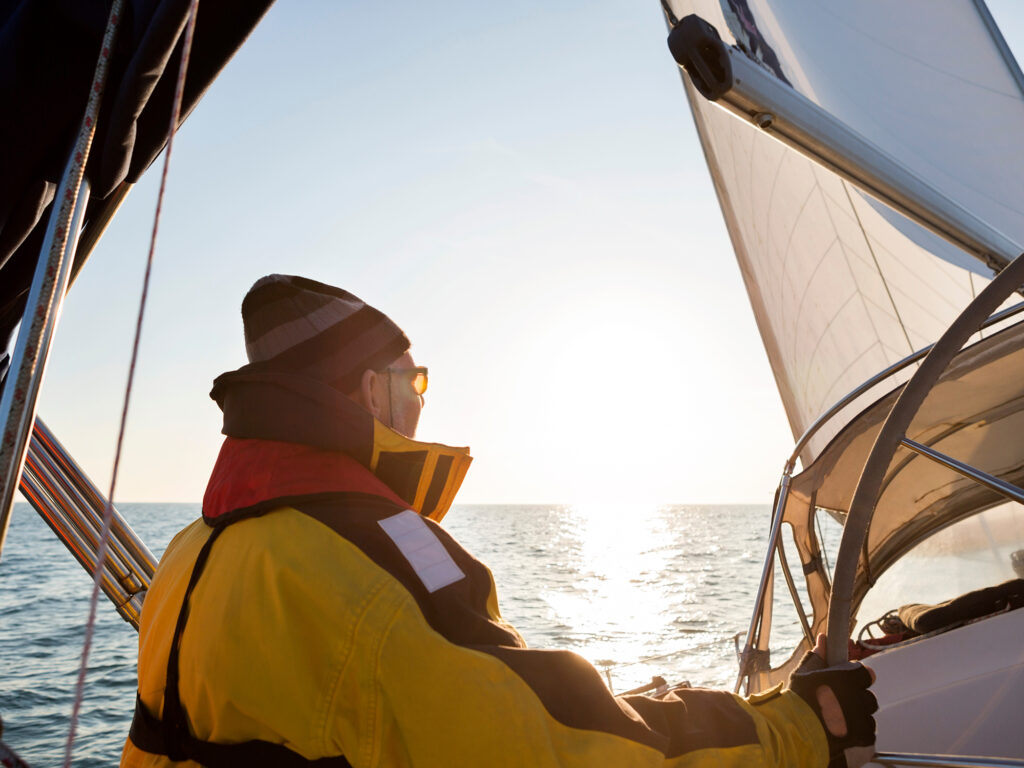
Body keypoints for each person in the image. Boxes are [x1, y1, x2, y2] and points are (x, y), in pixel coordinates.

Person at [122, 274, 876, 768]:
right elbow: (565, 749)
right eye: (411, 380)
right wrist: (797, 729)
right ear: (365, 394)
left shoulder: (192, 554)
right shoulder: (377, 560)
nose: (422, 402)